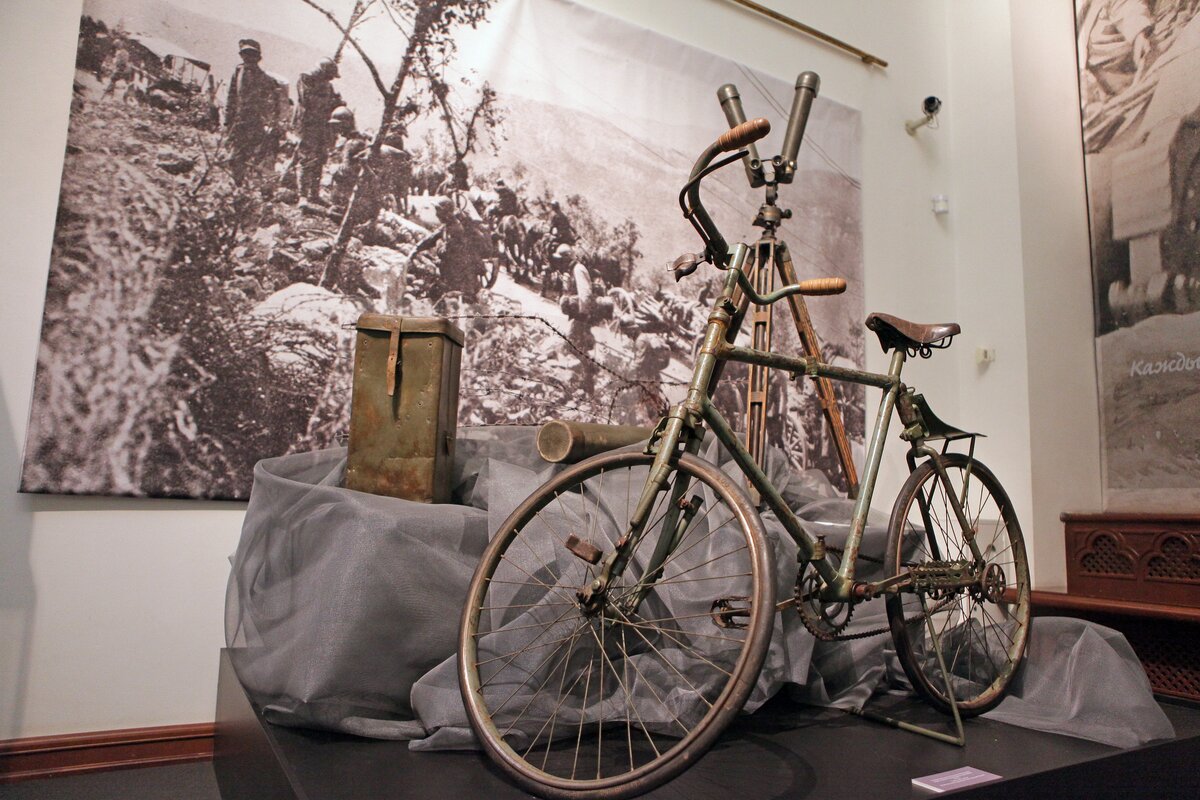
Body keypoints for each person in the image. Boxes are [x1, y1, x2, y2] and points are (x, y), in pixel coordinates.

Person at [224, 39, 284, 184]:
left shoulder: (264, 78)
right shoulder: (238, 72)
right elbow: (232, 96)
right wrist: (227, 119)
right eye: (245, 54)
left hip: (254, 122)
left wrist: (272, 119)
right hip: (238, 120)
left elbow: (276, 98)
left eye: (252, 55)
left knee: (249, 153)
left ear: (257, 58)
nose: (248, 58)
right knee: (236, 153)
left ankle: (246, 181)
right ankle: (238, 181)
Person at [411, 199, 489, 302]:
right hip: (455, 267)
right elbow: (432, 238)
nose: (436, 214)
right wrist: (417, 248)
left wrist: (438, 251)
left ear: (446, 213)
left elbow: (447, 252)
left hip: (460, 272)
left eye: (438, 211)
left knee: (457, 298)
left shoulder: (456, 229)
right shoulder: (448, 225)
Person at [294, 58, 343, 204]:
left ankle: (314, 194)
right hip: (307, 125)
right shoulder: (306, 78)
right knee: (306, 159)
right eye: (329, 76)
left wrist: (338, 103)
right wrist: (329, 102)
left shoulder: (328, 85)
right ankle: (303, 195)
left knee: (320, 159)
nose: (331, 79)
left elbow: (331, 102)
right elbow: (307, 100)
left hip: (322, 126)